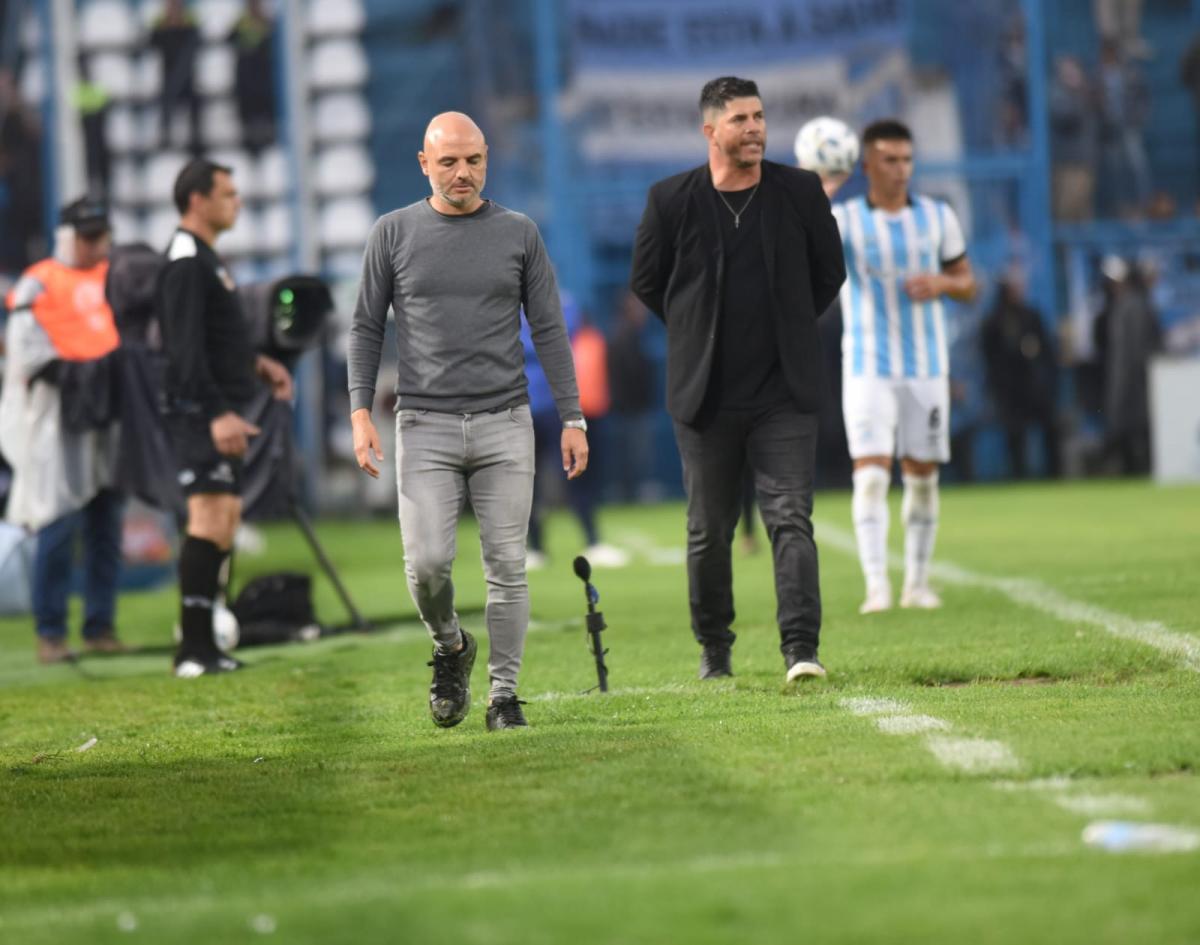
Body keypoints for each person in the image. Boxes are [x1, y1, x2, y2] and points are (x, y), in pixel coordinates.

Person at [348, 112, 587, 731]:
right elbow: (366, 326)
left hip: (505, 422)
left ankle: (504, 697)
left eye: (474, 159)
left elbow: (551, 330)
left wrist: (572, 415)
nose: (463, 172)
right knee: (427, 567)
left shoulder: (519, 233)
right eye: (449, 161)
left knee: (507, 567)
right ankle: (451, 646)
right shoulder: (392, 232)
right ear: (424, 165)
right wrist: (358, 411)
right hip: (423, 424)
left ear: (487, 160)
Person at [630, 76, 845, 683]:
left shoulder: (798, 191)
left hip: (785, 394)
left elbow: (830, 272)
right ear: (710, 131)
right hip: (706, 398)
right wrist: (696, 327)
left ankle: (801, 649)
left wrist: (792, 324)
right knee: (707, 532)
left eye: (759, 117)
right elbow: (648, 281)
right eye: (740, 120)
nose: (754, 129)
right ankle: (714, 652)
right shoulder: (671, 199)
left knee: (789, 520)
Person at [824, 120, 977, 614]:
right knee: (869, 475)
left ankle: (917, 583)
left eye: (907, 160)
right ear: (867, 165)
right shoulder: (845, 219)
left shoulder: (937, 217)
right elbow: (805, 250)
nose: (901, 170)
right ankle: (876, 587)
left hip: (927, 368)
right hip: (868, 368)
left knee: (922, 476)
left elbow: (969, 282)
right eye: (890, 160)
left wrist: (943, 284)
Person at [156, 158, 293, 677]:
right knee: (209, 520)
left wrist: (258, 364)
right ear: (197, 200)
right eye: (227, 193)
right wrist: (216, 414)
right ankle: (191, 648)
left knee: (224, 523)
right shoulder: (186, 260)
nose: (236, 202)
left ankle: (205, 645)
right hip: (199, 413)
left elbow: (212, 338)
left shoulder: (206, 257)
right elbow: (183, 351)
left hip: (220, 406)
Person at [0, 198, 125, 663]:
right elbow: (28, 355)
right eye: (88, 235)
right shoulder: (39, 282)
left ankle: (100, 626)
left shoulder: (112, 275)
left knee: (106, 521)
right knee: (57, 521)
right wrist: (84, 378)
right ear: (69, 235)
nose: (97, 244)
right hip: (56, 417)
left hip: (107, 412)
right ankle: (50, 633)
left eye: (101, 235)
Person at [524, 292, 627, 570]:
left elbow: (561, 339)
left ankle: (593, 541)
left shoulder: (560, 302)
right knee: (523, 481)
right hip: (519, 406)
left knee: (573, 474)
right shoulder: (504, 303)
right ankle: (534, 547)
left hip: (554, 406)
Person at [981, 271, 1060, 478]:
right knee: (1014, 435)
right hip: (1009, 389)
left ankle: (1054, 474)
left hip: (1034, 386)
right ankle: (1018, 475)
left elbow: (1046, 352)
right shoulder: (994, 321)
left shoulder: (1031, 316)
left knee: (1049, 429)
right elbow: (991, 357)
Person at [149, 0, 202, 153]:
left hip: (187, 80)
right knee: (166, 99)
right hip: (168, 79)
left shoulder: (190, 27)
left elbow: (196, 42)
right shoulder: (160, 28)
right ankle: (165, 138)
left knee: (195, 102)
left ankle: (195, 142)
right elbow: (150, 41)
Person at [228, 1, 276, 155]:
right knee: (248, 110)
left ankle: (265, 138)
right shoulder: (241, 25)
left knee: (264, 109)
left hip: (264, 82)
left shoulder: (269, 25)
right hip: (246, 82)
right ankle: (250, 142)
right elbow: (229, 40)